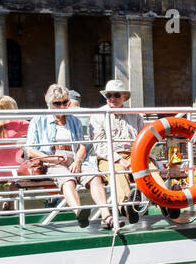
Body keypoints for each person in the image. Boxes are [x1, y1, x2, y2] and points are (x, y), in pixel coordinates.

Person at [25, 84, 107, 228]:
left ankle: (106, 215)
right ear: (50, 104)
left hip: (74, 157)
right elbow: (30, 150)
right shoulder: (38, 120)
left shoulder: (73, 120)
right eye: (57, 103)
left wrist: (78, 160)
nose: (62, 107)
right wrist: (49, 159)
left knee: (95, 177)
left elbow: (81, 145)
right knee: (68, 180)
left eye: (65, 102)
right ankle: (79, 213)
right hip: (52, 159)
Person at [88, 79, 144, 225]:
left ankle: (165, 201)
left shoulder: (135, 115)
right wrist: (120, 159)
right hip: (109, 157)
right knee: (117, 170)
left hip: (134, 154)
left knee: (150, 166)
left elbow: (142, 140)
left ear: (124, 96)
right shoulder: (98, 115)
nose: (112, 98)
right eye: (109, 95)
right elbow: (99, 146)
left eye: (116, 95)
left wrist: (135, 158)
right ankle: (127, 207)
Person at [0, 95, 28, 209]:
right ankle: (11, 204)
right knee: (17, 179)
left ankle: (0, 199)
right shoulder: (18, 121)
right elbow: (33, 128)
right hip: (13, 161)